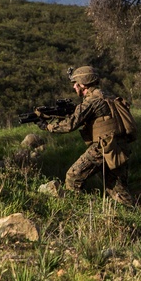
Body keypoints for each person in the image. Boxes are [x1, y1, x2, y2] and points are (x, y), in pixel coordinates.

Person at [37, 66, 133, 204]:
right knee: (118, 190)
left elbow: (70, 124)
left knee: (73, 177)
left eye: (76, 83)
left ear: (84, 83)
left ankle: (80, 210)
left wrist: (47, 126)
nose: (74, 87)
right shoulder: (107, 96)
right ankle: (139, 221)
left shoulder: (92, 101)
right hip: (119, 146)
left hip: (104, 147)